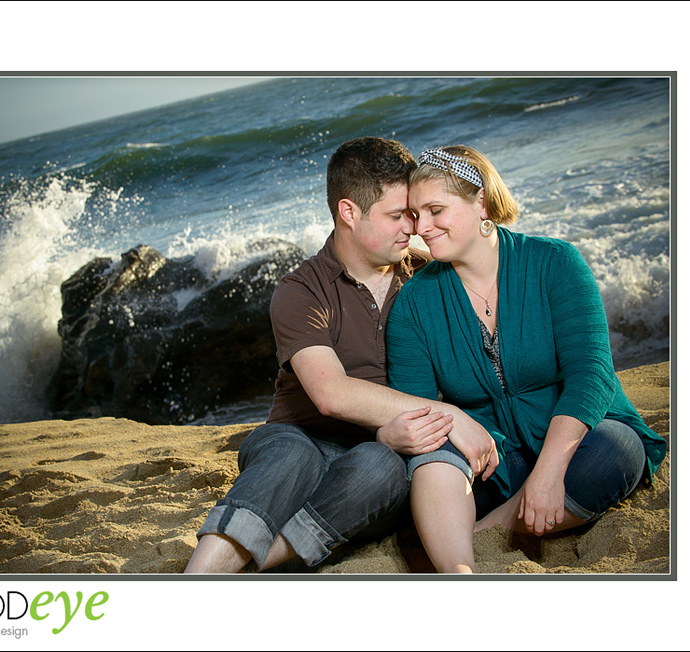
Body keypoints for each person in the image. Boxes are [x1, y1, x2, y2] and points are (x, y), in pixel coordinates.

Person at [184, 137, 498, 573]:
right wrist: (451, 417)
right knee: (293, 455)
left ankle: (257, 563)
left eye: (414, 212)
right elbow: (330, 393)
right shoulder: (302, 290)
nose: (413, 228)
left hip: (380, 457)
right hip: (295, 438)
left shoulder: (428, 276)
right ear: (349, 212)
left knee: (380, 466)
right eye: (396, 216)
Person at [387, 145, 668, 573]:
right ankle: (463, 566)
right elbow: (418, 405)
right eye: (414, 214)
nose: (421, 228)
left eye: (435, 210)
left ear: (479, 201)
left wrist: (548, 472)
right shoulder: (414, 304)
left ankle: (487, 529)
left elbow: (591, 374)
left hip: (575, 444)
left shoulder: (555, 262)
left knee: (618, 450)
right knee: (431, 465)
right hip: (492, 462)